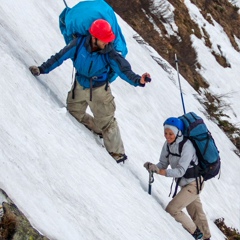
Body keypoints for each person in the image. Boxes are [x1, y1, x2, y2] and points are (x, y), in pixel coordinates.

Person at [29, 19, 151, 163]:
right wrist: (42, 69)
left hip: (99, 91)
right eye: (104, 40)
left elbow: (123, 69)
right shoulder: (78, 44)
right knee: (74, 112)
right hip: (80, 84)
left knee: (107, 122)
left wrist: (138, 80)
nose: (107, 43)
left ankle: (118, 155)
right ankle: (98, 130)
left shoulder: (109, 53)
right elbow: (59, 57)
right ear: (94, 37)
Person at [144, 117, 211, 240]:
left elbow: (180, 171)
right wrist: (153, 167)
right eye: (165, 133)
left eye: (171, 133)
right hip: (185, 184)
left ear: (178, 132)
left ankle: (196, 232)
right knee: (196, 213)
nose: (167, 136)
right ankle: (206, 237)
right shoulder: (168, 145)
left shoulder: (187, 146)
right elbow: (162, 164)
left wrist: (161, 172)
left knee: (173, 209)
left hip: (194, 184)